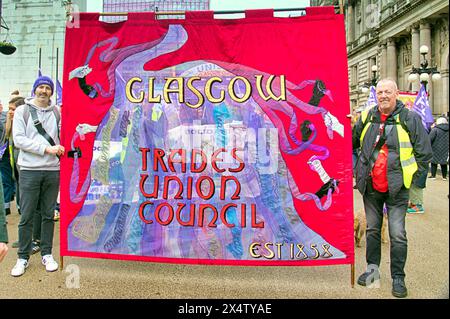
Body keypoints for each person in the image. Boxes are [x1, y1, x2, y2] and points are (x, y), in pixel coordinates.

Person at [352, 78, 432, 298]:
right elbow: (351, 142)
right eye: (380, 92)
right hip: (370, 187)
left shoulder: (410, 118)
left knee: (397, 234)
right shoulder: (367, 116)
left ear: (396, 93)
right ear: (376, 95)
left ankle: (398, 277)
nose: (383, 96)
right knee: (372, 230)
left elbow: (425, 153)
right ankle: (372, 271)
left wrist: (411, 180)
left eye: (388, 91)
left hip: (398, 189)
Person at [10, 75, 64, 277]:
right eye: (40, 87)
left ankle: (47, 253)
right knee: (27, 215)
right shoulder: (23, 111)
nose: (44, 91)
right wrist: (46, 149)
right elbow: (19, 140)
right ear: (35, 90)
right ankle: (22, 257)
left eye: (47, 88)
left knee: (48, 214)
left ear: (51, 91)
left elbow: (62, 135)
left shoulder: (56, 112)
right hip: (30, 170)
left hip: (52, 171)